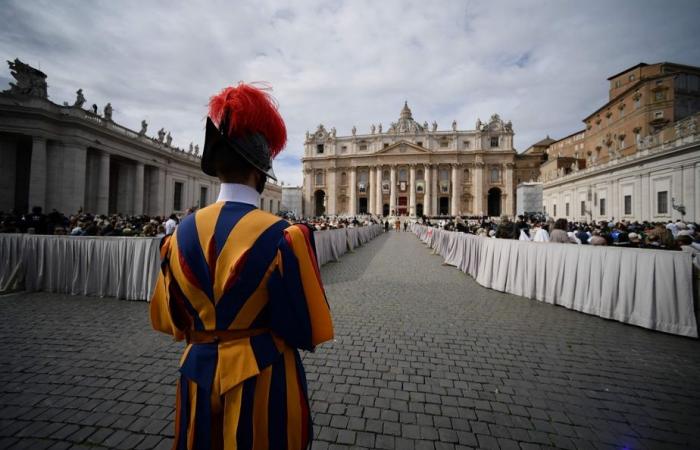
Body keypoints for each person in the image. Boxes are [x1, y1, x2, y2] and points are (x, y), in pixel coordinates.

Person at [150, 83, 333, 450]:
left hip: (196, 374)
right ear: (262, 174)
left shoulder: (176, 237)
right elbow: (311, 327)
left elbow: (166, 320)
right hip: (264, 376)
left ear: (216, 172)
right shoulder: (286, 236)